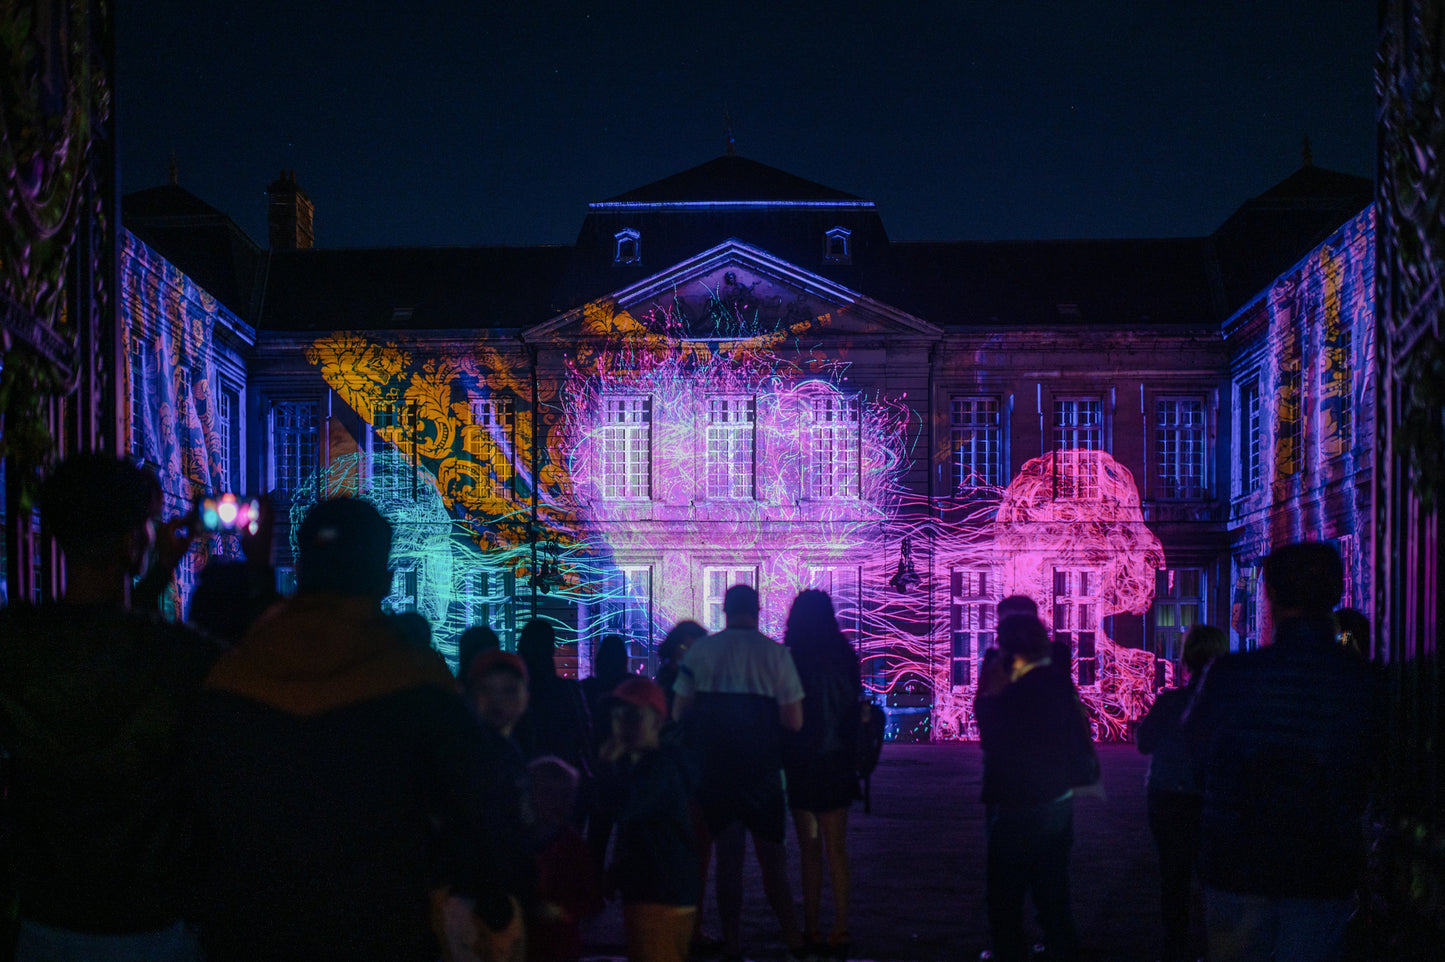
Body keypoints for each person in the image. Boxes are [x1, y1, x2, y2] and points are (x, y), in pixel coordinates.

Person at [187, 498, 517, 962]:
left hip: (249, 933)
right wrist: (494, 907)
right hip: (377, 931)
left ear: (300, 571)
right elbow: (476, 815)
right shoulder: (420, 684)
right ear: (383, 580)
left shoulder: (228, 680)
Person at [0, 453, 220, 962]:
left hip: (45, 916)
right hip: (149, 921)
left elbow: (91, 647)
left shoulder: (14, 643)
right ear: (133, 540)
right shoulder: (181, 658)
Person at [1184, 542, 1385, 962]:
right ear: (1336, 592)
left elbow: (1192, 751)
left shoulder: (1232, 674)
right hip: (1320, 862)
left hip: (1236, 857)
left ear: (1269, 594)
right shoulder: (1365, 682)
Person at [673, 584, 806, 960]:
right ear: (758, 611)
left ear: (725, 612)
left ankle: (732, 943)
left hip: (716, 773)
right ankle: (793, 937)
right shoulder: (777, 656)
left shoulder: (701, 652)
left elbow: (679, 711)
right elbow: (794, 721)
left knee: (728, 864)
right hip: (763, 773)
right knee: (773, 864)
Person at [974, 614, 1089, 962]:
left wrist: (990, 695)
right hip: (1056, 800)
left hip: (1017, 803)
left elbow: (993, 739)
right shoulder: (1057, 682)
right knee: (1053, 892)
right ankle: (1062, 948)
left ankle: (1010, 952)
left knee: (1005, 896)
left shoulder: (1016, 691)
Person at [1136, 623, 1230, 962]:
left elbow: (1144, 744)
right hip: (1213, 797)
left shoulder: (1171, 701)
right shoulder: (1229, 706)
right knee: (1216, 879)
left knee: (1173, 877)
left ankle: (1174, 949)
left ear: (1186, 659)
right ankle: (1216, 948)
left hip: (1168, 794)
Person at [782, 590, 862, 960]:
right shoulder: (846, 656)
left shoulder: (793, 659)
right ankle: (841, 926)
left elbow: (787, 714)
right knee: (837, 849)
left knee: (809, 849)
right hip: (837, 761)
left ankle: (811, 926)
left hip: (802, 762)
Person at [601, 678, 700, 962]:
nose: (622, 724)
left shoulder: (657, 769)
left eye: (633, 716)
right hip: (661, 888)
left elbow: (623, 808)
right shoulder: (651, 765)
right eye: (617, 716)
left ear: (657, 720)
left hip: (658, 893)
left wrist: (606, 768)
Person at [525, 757, 601, 962]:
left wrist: (562, 912)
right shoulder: (520, 842)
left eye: (565, 795)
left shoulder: (573, 848)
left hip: (557, 945)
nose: (559, 802)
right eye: (548, 794)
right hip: (536, 943)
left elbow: (590, 898)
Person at [514, 619, 594, 780]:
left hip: (518, 774)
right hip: (564, 773)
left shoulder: (513, 692)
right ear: (551, 649)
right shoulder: (568, 690)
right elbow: (583, 733)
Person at [655, 620, 707, 714]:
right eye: (685, 647)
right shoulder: (666, 678)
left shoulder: (704, 678)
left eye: (696, 648)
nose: (690, 653)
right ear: (673, 646)